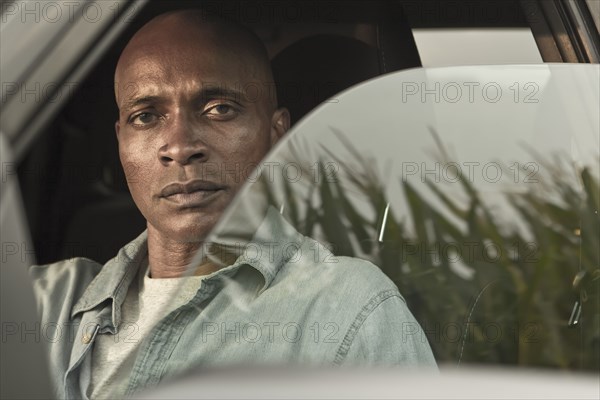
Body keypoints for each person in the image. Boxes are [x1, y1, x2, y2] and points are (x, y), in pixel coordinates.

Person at [30, 9, 436, 400]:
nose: (180, 146)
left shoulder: (348, 310)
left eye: (219, 109)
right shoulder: (39, 302)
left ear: (276, 133)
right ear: (120, 142)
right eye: (146, 116)